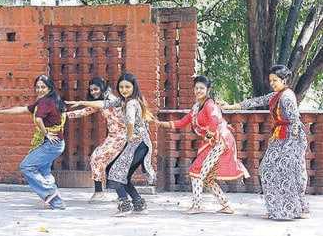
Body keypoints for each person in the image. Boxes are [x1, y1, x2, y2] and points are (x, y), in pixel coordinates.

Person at [220, 65, 309, 220]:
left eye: (275, 80)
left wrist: (291, 147)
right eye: (271, 80)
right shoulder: (278, 95)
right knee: (269, 170)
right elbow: (258, 100)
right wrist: (231, 106)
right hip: (280, 137)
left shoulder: (287, 96)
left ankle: (286, 211)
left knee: (284, 172)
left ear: (284, 80)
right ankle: (283, 209)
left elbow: (295, 121)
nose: (272, 83)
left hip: (290, 140)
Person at [156, 76, 249, 215]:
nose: (198, 91)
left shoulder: (210, 104)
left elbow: (215, 119)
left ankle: (197, 206)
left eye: (201, 88)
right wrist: (162, 124)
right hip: (211, 142)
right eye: (196, 88)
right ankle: (226, 206)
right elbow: (182, 122)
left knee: (197, 171)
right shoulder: (196, 107)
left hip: (220, 140)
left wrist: (210, 134)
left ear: (208, 90)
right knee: (205, 177)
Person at [68, 73, 156, 217]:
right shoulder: (121, 101)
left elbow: (130, 121)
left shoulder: (131, 103)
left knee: (116, 173)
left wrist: (131, 133)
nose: (124, 89)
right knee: (122, 176)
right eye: (121, 87)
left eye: (127, 87)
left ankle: (125, 206)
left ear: (134, 87)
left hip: (137, 143)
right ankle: (139, 206)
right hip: (137, 144)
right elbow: (103, 104)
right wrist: (84, 102)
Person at [0, 75, 67, 210]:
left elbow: (39, 119)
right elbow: (23, 109)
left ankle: (50, 192)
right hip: (55, 144)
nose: (39, 90)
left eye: (43, 87)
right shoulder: (51, 100)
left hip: (51, 144)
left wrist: (46, 133)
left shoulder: (45, 102)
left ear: (49, 88)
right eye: (37, 87)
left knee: (26, 166)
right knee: (43, 171)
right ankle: (58, 203)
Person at [65, 77, 127, 203]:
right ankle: (121, 196)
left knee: (97, 157)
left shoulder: (110, 99)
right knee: (110, 164)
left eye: (96, 89)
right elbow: (84, 112)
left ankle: (101, 193)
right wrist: (64, 115)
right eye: (91, 90)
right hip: (113, 137)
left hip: (122, 136)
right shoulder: (101, 100)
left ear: (102, 88)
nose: (93, 92)